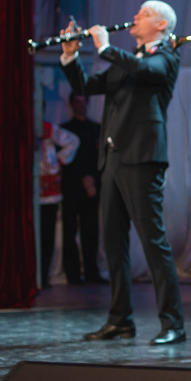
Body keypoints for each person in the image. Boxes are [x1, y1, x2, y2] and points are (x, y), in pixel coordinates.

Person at [59, 1, 186, 345]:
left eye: (143, 14)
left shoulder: (167, 55)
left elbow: (146, 71)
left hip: (142, 158)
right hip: (113, 158)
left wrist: (105, 47)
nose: (135, 17)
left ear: (161, 25)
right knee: (113, 243)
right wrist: (70, 55)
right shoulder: (126, 60)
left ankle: (173, 323)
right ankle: (120, 320)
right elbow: (85, 85)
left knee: (153, 241)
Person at [60, 94, 106, 284]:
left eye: (83, 101)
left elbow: (101, 158)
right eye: (77, 101)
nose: (80, 105)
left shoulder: (96, 128)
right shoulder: (64, 130)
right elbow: (65, 161)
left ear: (87, 102)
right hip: (72, 187)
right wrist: (83, 179)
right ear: (71, 104)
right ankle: (72, 274)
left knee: (91, 231)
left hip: (92, 188)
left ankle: (91, 272)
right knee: (70, 231)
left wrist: (92, 179)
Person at [38, 119, 78, 289]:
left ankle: (43, 275)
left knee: (47, 236)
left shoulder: (47, 128)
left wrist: (57, 160)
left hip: (49, 194)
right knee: (35, 235)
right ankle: (34, 275)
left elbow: (73, 141)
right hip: (33, 192)